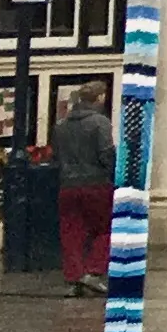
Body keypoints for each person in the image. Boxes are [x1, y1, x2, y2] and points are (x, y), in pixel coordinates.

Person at [50, 79, 115, 295]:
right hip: (96, 184)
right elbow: (106, 153)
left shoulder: (61, 125)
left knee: (71, 232)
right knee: (105, 228)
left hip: (67, 185)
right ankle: (94, 272)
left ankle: (74, 276)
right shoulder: (100, 122)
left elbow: (57, 155)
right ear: (99, 98)